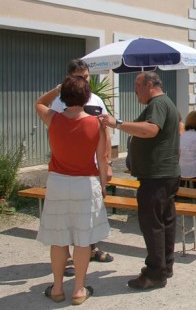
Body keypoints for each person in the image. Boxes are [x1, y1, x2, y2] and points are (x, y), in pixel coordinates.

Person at [99, 71, 180, 289]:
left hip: (156, 175)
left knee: (152, 224)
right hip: (164, 174)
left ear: (150, 85)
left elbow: (151, 129)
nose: (135, 92)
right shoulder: (165, 103)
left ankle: (155, 273)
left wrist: (117, 123)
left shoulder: (158, 104)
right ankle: (165, 266)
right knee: (165, 221)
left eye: (137, 87)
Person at [35, 75, 110, 305]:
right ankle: (78, 289)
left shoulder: (53, 118)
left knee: (59, 239)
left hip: (58, 182)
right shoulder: (96, 123)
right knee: (82, 239)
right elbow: (102, 158)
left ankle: (57, 288)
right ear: (87, 96)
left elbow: (39, 102)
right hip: (85, 183)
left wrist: (56, 89)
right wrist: (103, 186)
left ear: (63, 96)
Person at [49, 59, 114, 275]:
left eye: (86, 76)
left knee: (90, 214)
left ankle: (91, 249)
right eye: (80, 77)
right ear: (70, 78)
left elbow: (106, 130)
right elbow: (55, 129)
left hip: (93, 165)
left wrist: (108, 163)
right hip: (68, 168)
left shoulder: (96, 99)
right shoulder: (60, 101)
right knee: (69, 216)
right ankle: (68, 257)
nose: (85, 80)